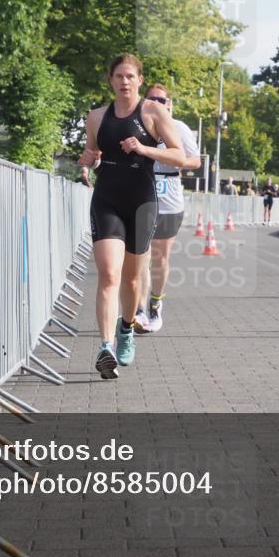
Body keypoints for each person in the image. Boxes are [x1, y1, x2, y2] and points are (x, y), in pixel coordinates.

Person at [79, 54, 186, 379]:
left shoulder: (153, 112)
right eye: (119, 76)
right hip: (107, 199)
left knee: (133, 280)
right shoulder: (97, 117)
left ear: (139, 80)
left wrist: (144, 148)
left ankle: (126, 328)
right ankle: (106, 346)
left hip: (142, 201)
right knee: (109, 275)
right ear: (110, 80)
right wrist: (87, 162)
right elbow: (93, 154)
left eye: (130, 76)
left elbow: (179, 154)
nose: (124, 81)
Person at [133, 84, 200, 334]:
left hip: (170, 198)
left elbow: (195, 160)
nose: (158, 103)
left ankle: (155, 304)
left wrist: (173, 159)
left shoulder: (179, 128)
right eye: (153, 99)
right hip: (142, 196)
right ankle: (139, 309)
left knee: (160, 259)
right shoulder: (138, 125)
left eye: (162, 100)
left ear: (169, 103)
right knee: (141, 256)